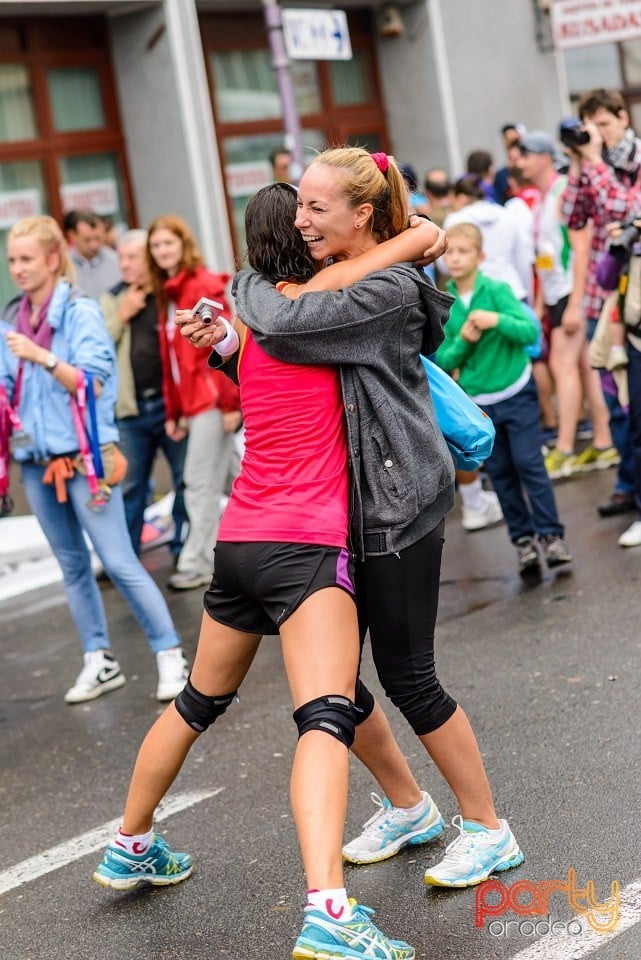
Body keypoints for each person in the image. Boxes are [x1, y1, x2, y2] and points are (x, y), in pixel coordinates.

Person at [92, 186, 445, 960]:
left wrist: (217, 335)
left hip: (241, 544)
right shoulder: (316, 318)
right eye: (311, 217)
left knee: (199, 703)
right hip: (304, 548)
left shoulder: (251, 321)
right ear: (304, 236)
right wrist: (418, 235)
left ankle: (131, 842)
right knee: (324, 715)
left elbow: (241, 349)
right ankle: (327, 909)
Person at [227, 147, 524, 890]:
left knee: (409, 678)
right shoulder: (350, 272)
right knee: (334, 682)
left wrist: (242, 285)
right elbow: (283, 359)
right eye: (298, 207)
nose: (299, 221)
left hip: (394, 508)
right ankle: (407, 806)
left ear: (364, 213)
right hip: (334, 509)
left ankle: (489, 829)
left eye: (316, 209)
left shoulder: (387, 290)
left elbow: (285, 324)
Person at [0, 216, 188, 703]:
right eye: (12, 260)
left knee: (119, 560)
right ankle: (98, 660)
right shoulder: (15, 315)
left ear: (50, 258)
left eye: (25, 259)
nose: (17, 268)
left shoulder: (79, 311)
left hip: (87, 459)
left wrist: (41, 357)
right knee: (72, 565)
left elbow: (94, 382)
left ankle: (170, 654)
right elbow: (7, 392)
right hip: (37, 463)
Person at [435, 222, 572, 576]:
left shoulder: (497, 290)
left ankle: (552, 537)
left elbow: (529, 331)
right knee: (501, 474)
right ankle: (524, 542)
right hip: (480, 404)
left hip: (516, 390)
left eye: (464, 251)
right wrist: (464, 340)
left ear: (480, 256)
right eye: (451, 252)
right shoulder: (444, 303)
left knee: (530, 465)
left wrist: (497, 320)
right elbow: (443, 361)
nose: (457, 258)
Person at [145, 215, 242, 590]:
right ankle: (296, 527)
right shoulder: (167, 294)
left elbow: (224, 342)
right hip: (195, 403)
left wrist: (232, 402)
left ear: (184, 246)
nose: (162, 251)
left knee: (198, 482)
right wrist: (175, 411)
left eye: (169, 243)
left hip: (212, 400)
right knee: (240, 479)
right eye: (156, 246)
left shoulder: (200, 285)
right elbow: (174, 364)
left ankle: (199, 561)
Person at [517, 130, 617, 480]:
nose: (520, 161)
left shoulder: (562, 192)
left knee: (564, 366)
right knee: (586, 369)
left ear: (545, 157)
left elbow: (581, 248)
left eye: (526, 154)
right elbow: (545, 256)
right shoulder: (543, 196)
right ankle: (604, 442)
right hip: (558, 294)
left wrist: (575, 302)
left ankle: (563, 448)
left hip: (572, 294)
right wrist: (543, 302)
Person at [560, 87, 641, 516]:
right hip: (600, 297)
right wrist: (578, 164)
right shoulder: (590, 160)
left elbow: (627, 210)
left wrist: (593, 162)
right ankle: (628, 484)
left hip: (634, 299)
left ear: (623, 119)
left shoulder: (635, 160)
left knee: (637, 397)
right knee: (614, 400)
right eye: (593, 127)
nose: (600, 134)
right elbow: (572, 217)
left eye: (605, 125)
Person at [101, 229, 187, 559]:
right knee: (130, 487)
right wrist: (122, 315)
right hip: (131, 410)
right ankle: (124, 559)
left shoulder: (169, 293)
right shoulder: (111, 299)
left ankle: (182, 549)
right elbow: (96, 347)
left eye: (132, 257)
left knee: (184, 481)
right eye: (120, 257)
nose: (123, 265)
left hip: (170, 406)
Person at [63, 209, 122, 301]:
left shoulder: (118, 262)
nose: (93, 245)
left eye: (98, 238)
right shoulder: (63, 266)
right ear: (72, 236)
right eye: (87, 240)